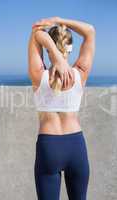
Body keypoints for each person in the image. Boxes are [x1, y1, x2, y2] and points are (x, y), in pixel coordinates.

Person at [28, 16, 95, 200]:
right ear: (69, 49)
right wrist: (60, 19)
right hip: (76, 147)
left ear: (51, 49)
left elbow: (36, 34)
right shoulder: (80, 72)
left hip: (49, 147)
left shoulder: (38, 75)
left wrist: (54, 54)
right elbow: (90, 30)